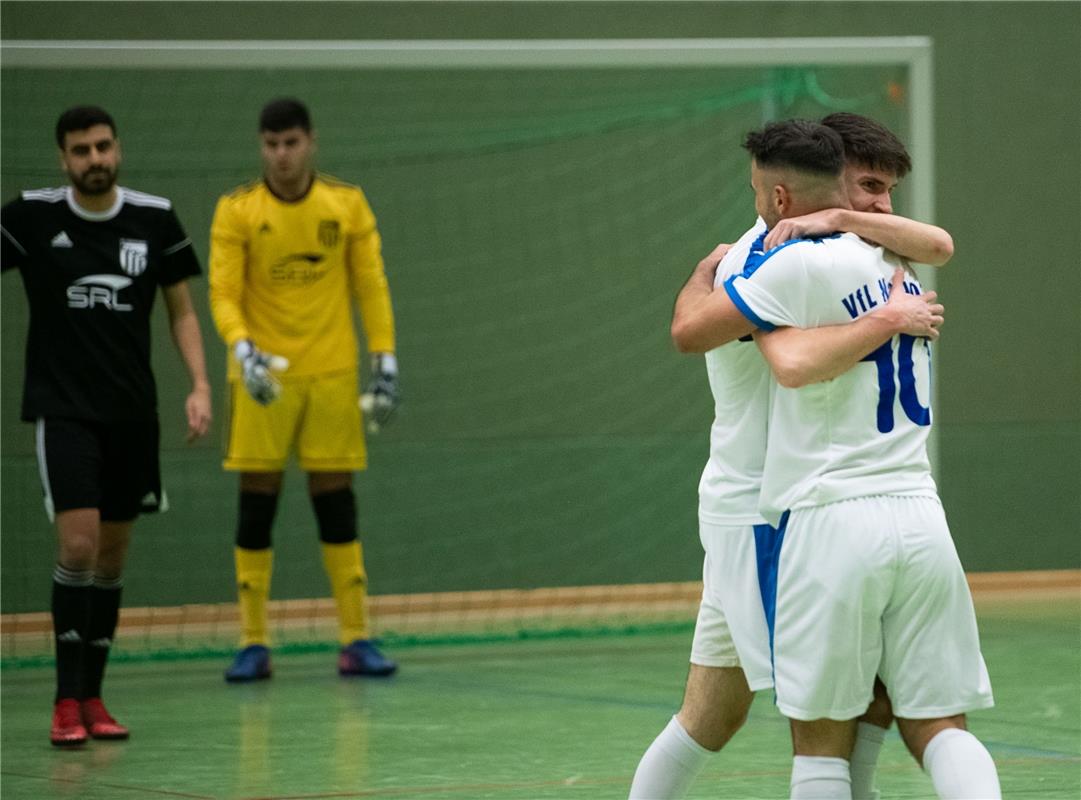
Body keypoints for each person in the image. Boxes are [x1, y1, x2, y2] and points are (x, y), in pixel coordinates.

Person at [630, 114, 953, 800]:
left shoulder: (831, 246)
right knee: (829, 719)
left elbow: (938, 243)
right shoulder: (773, 260)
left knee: (711, 717)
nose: (876, 203)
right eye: (863, 186)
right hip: (770, 514)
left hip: (758, 506)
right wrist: (886, 320)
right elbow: (693, 333)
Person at [724, 119, 999, 799]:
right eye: (868, 187)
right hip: (918, 514)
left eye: (886, 191)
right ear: (831, 176)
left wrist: (716, 273)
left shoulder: (788, 260)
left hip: (830, 515)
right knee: (939, 723)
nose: (881, 205)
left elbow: (770, 357)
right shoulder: (896, 265)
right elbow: (938, 243)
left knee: (818, 738)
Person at [0, 105, 213, 746]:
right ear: (63, 159)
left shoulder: (154, 217)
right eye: (81, 150)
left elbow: (181, 311)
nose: (95, 158)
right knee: (78, 548)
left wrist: (199, 385)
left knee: (113, 560)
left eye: (103, 147)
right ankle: (65, 701)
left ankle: (95, 695)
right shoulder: (32, 216)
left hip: (132, 416)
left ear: (117, 149)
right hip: (64, 412)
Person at [209, 98, 400, 682]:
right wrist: (243, 348)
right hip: (263, 378)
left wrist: (384, 359)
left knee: (335, 499)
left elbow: (371, 285)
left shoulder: (345, 205)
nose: (281, 155)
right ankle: (252, 640)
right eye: (271, 144)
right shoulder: (237, 211)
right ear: (260, 146)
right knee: (257, 497)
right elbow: (222, 293)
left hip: (332, 373)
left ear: (311, 142)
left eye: (291, 143)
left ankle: (355, 637)